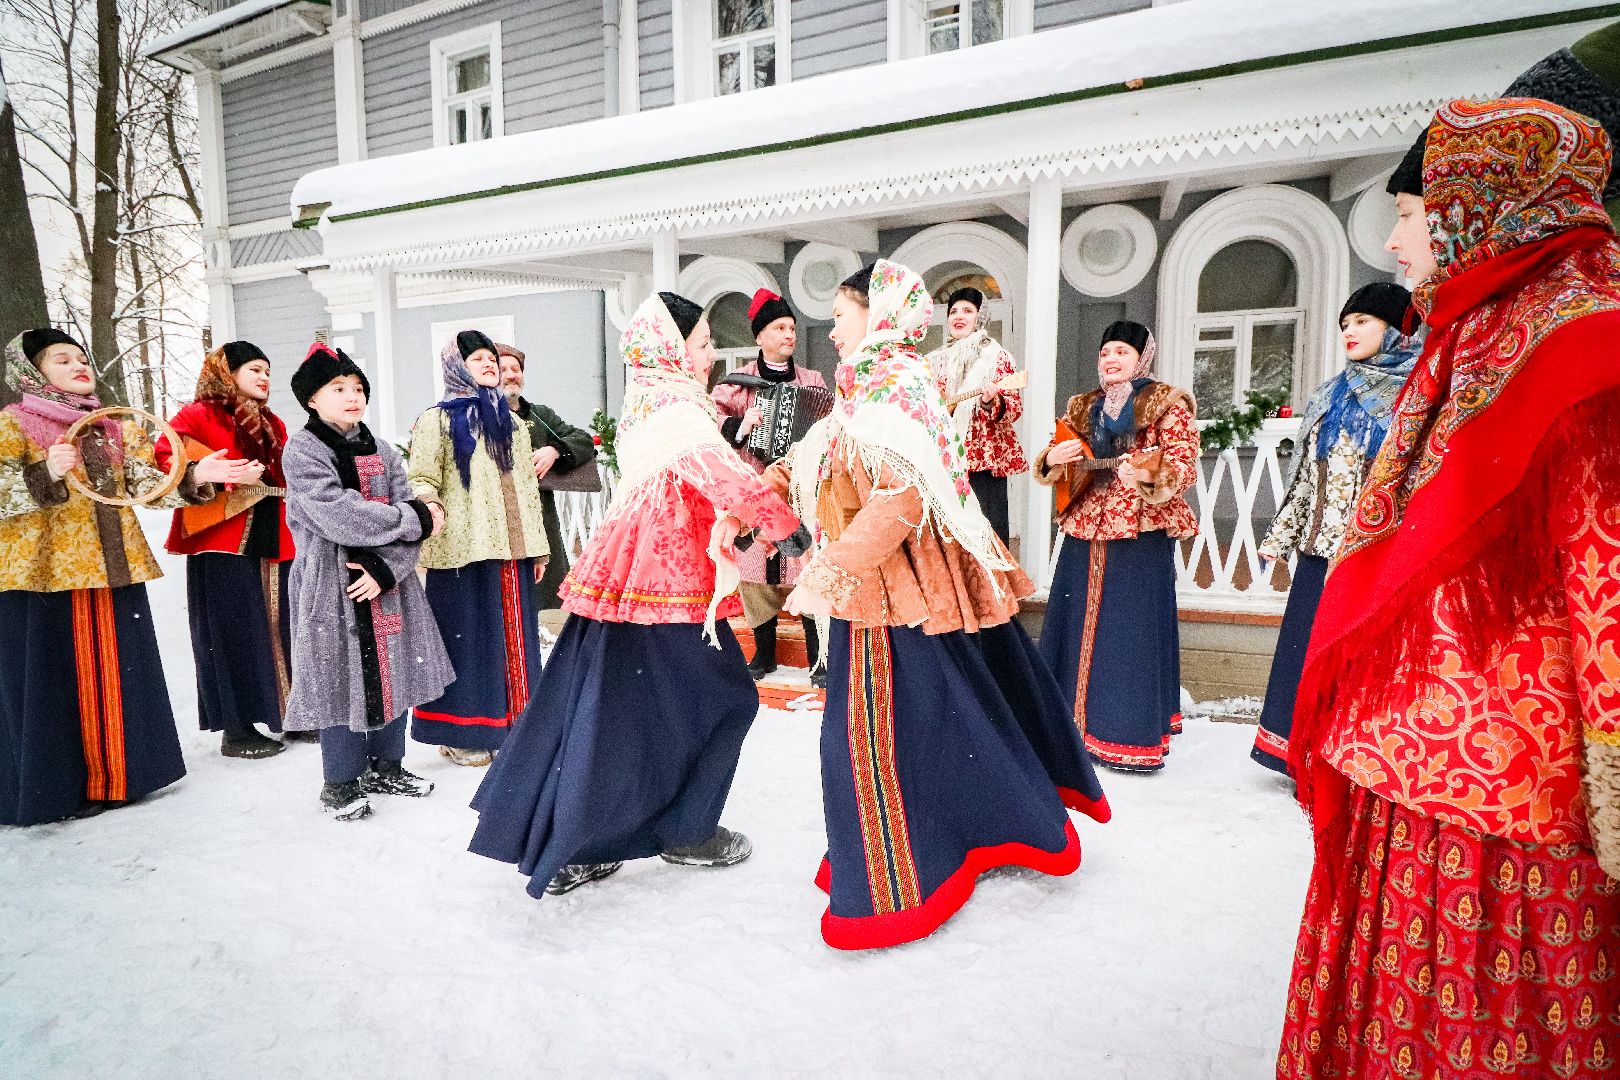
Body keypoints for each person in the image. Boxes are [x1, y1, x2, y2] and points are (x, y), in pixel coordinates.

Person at [1276, 98, 1620, 1080]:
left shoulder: (1583, 343)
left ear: (1485, 204)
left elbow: (1606, 575)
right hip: (1414, 753)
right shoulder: (1480, 334)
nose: (1394, 240)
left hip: (1515, 805)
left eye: (1414, 211)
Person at [770, 260, 1109, 950]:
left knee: (876, 742)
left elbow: (900, 499)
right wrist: (757, 497)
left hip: (893, 591)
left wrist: (830, 571)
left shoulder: (898, 389)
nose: (829, 328)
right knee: (931, 726)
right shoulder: (863, 387)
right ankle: (960, 832)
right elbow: (814, 455)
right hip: (886, 590)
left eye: (840, 314)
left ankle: (896, 882)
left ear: (879, 314)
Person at [469, 292, 807, 897]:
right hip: (663, 583)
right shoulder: (678, 406)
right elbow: (718, 473)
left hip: (624, 583)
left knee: (608, 707)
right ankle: (680, 828)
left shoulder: (647, 399)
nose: (707, 356)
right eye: (701, 343)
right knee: (725, 697)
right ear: (672, 349)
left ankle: (579, 837)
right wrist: (784, 523)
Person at [0, 329, 240, 825]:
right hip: (42, 577)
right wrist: (42, 470)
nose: (78, 364)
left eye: (81, 357)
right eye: (61, 359)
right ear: (32, 374)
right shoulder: (14, 424)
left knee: (114, 673)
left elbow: (146, 484)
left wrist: (197, 475)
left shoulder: (112, 427)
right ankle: (59, 787)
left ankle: (119, 777)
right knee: (53, 682)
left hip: (112, 569)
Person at [1249, 285, 1420, 776]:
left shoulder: (1419, 393)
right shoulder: (1329, 393)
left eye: (1363, 321)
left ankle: (1354, 763)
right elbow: (1309, 474)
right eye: (1345, 323)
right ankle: (1301, 753)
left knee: (1362, 659)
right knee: (1309, 652)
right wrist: (1282, 534)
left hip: (1378, 553)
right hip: (1320, 551)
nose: (1349, 330)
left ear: (1397, 329)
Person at [282, 343, 451, 822]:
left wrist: (387, 567)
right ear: (312, 399)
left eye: (357, 387)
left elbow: (410, 518)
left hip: (387, 584)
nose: (352, 396)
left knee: (394, 667)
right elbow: (337, 515)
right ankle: (339, 779)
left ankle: (387, 765)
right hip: (331, 583)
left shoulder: (380, 448)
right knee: (339, 675)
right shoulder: (303, 450)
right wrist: (413, 517)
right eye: (338, 388)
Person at [1032, 321, 1199, 773]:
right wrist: (1051, 460)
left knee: (1128, 630)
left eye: (1122, 351)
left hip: (1139, 528)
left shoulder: (1167, 403)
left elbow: (1183, 465)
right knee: (1074, 621)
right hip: (1086, 523)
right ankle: (1068, 727)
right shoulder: (1083, 405)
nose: (1111, 359)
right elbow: (1050, 456)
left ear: (1141, 358)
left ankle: (1124, 732)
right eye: (1106, 351)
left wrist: (1146, 470)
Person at [407, 331, 550, 767]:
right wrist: (428, 505)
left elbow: (527, 488)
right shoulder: (437, 420)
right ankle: (460, 732)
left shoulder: (512, 423)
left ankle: (516, 727)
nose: (489, 364)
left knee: (514, 640)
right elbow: (421, 477)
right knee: (467, 643)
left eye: (492, 357)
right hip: (461, 553)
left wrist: (538, 549)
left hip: (512, 550)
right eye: (478, 359)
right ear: (455, 366)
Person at [154, 341, 298, 760]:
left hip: (274, 536)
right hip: (222, 540)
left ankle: (286, 713)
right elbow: (163, 460)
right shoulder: (196, 414)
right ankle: (237, 730)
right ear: (225, 371)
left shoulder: (271, 422)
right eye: (254, 368)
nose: (264, 377)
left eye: (267, 370)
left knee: (278, 626)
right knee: (232, 634)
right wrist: (204, 470)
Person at [711, 289, 830, 683]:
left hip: (798, 491)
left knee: (804, 563)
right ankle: (763, 653)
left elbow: (828, 421)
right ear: (760, 336)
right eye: (779, 328)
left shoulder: (811, 381)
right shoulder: (736, 385)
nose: (789, 335)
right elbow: (709, 426)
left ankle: (818, 657)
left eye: (792, 328)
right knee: (755, 569)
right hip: (753, 485)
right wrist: (741, 425)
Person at [496, 342, 598, 609]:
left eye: (516, 369)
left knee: (545, 603)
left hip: (541, 520)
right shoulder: (481, 417)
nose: (511, 374)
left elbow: (583, 440)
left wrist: (554, 450)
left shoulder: (541, 416)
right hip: (500, 522)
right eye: (503, 368)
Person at [924, 286, 1026, 543]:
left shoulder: (996, 357)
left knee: (987, 530)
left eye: (968, 310)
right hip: (944, 456)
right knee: (948, 534)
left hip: (982, 457)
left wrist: (991, 402)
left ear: (980, 317)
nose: (959, 316)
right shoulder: (933, 360)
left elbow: (1013, 408)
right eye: (953, 311)